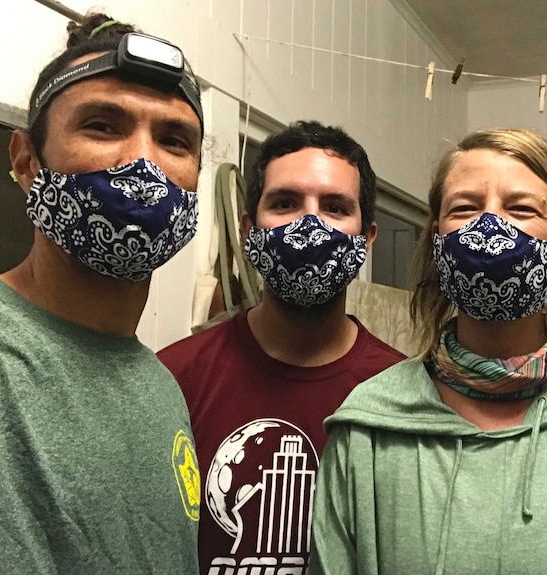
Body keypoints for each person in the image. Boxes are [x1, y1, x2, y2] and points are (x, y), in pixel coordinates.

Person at [309, 128, 547, 575]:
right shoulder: (368, 423)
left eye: (521, 209)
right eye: (466, 208)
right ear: (437, 240)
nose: (490, 226)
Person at [0, 12, 204, 573]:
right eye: (103, 127)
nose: (143, 161)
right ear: (27, 162)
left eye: (174, 140)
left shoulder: (163, 390)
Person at [158, 120, 405, 574]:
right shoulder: (171, 379)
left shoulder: (404, 394)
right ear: (251, 231)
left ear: (365, 240)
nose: (309, 224)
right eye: (286, 203)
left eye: (334, 207)